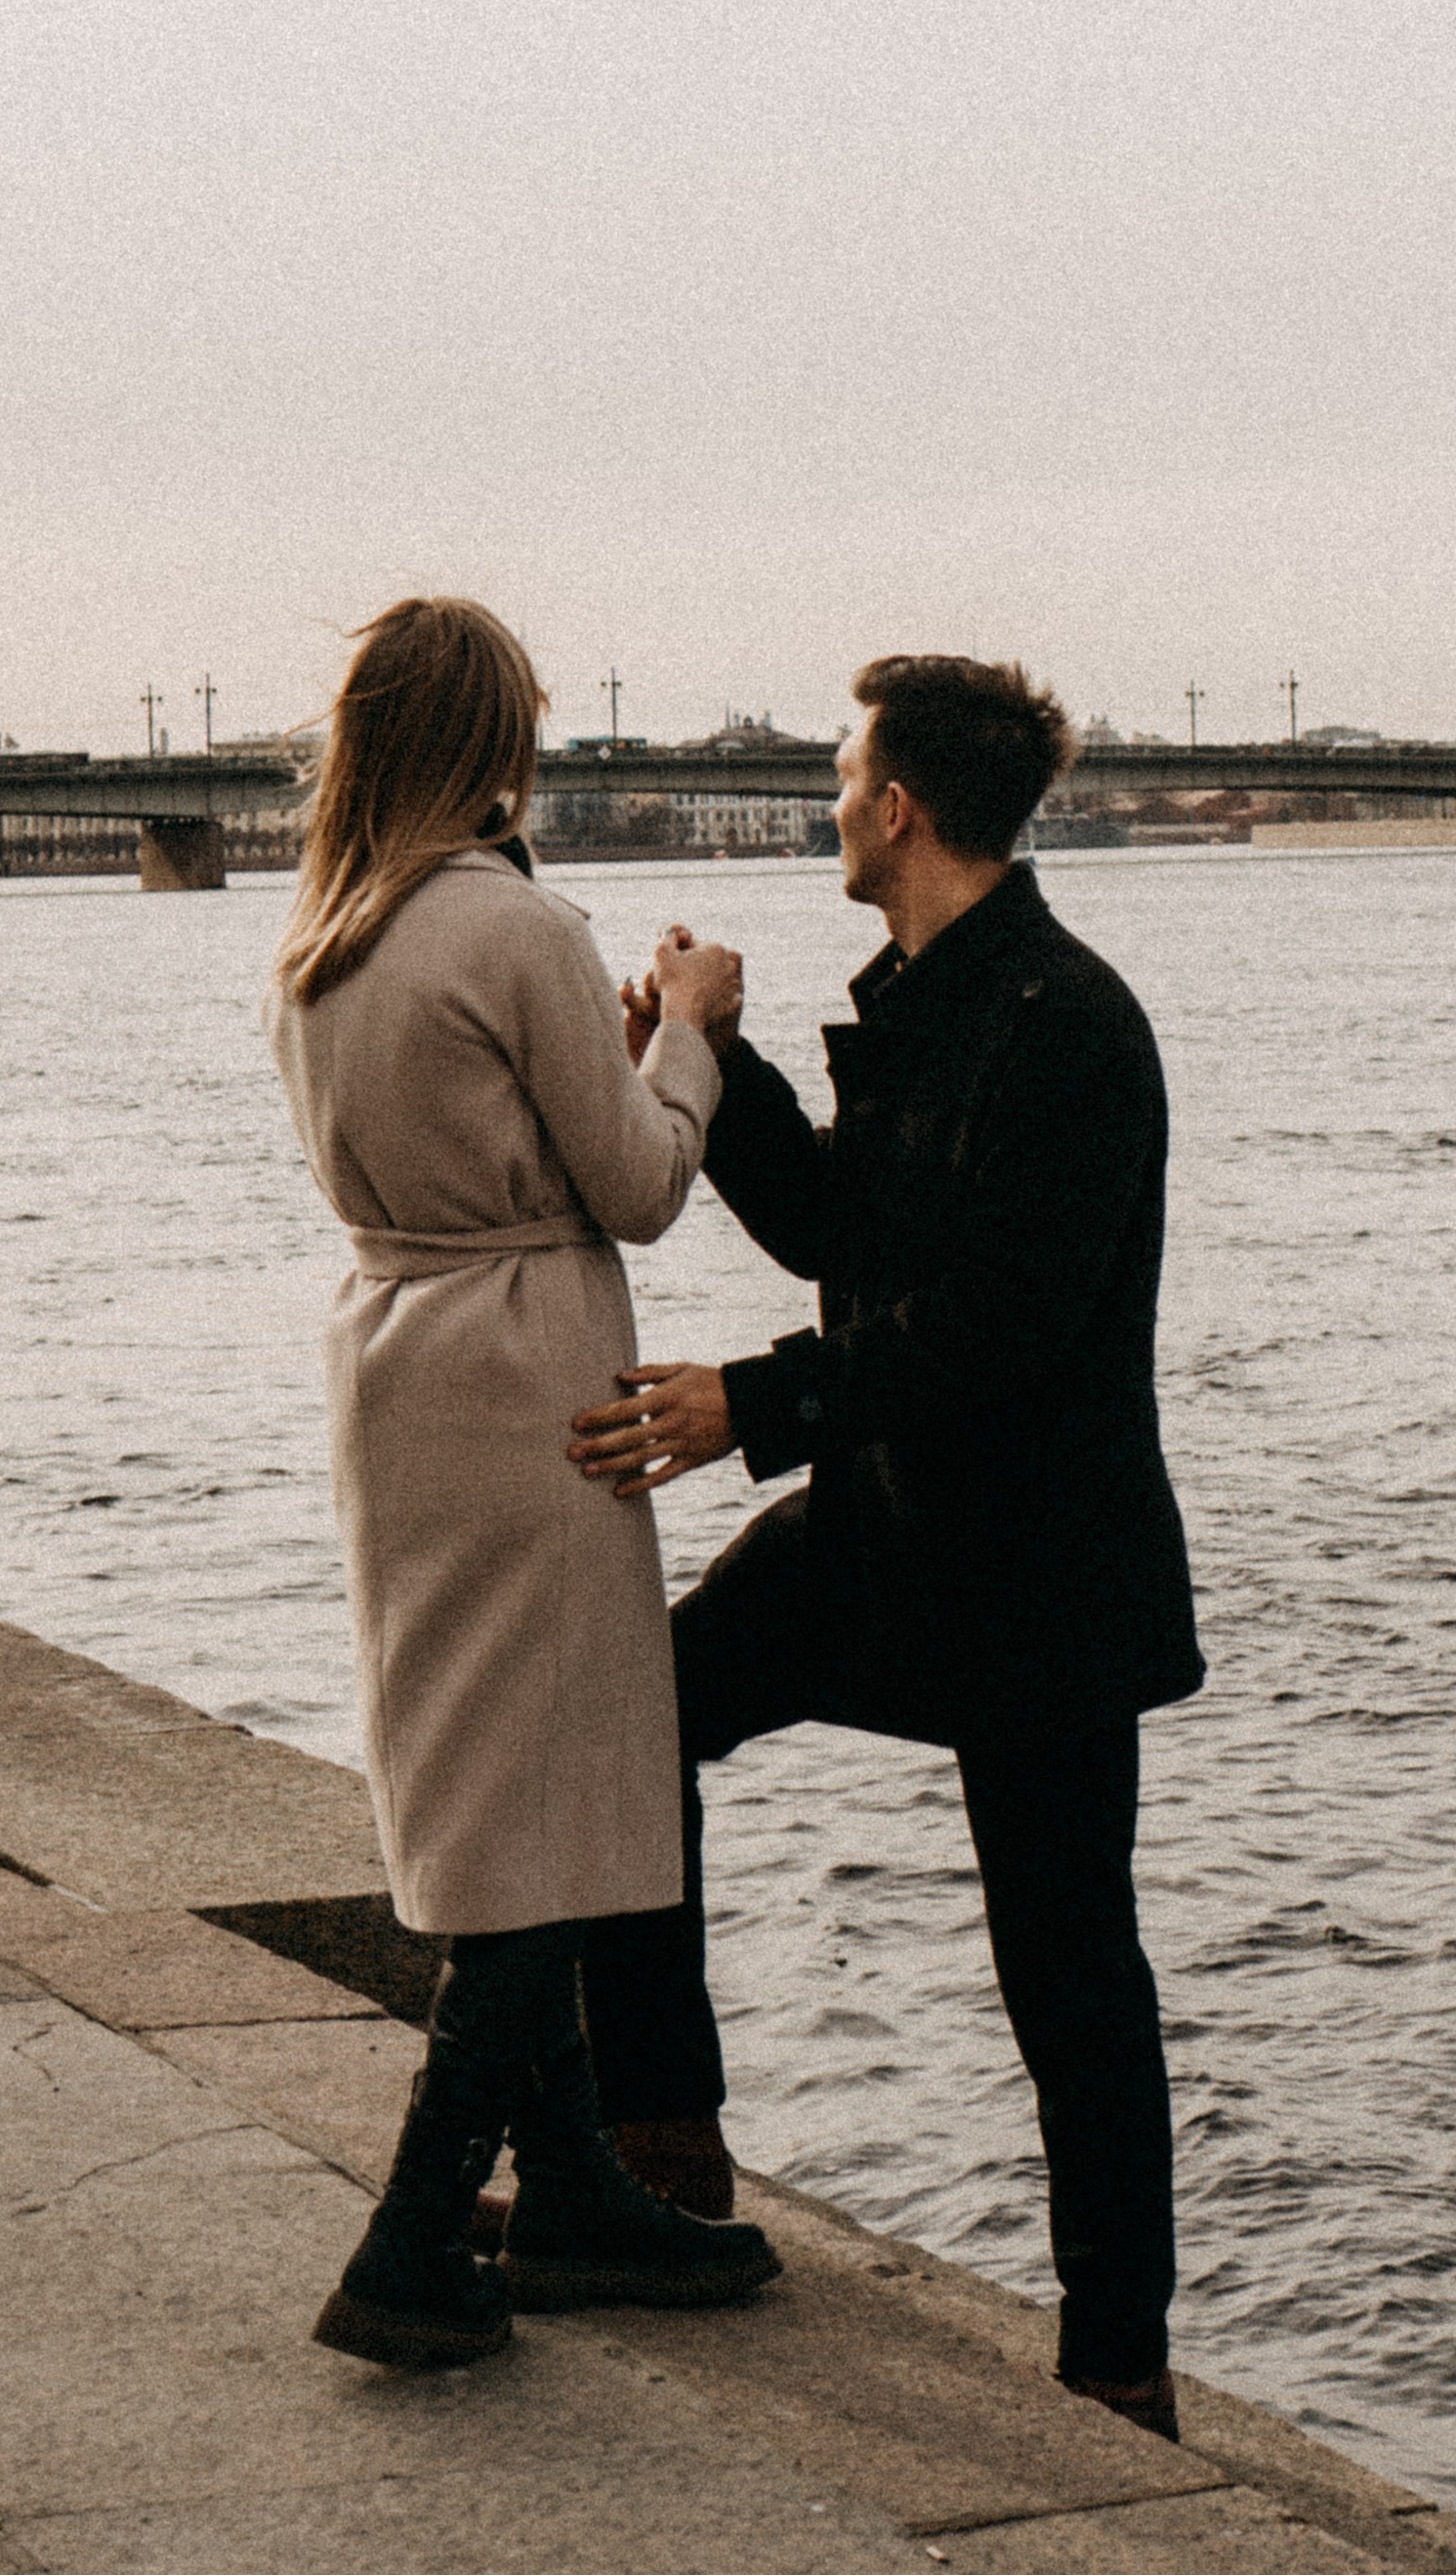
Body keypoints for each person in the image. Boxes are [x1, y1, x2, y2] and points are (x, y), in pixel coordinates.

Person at [564, 653, 1205, 2437]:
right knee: (639, 1722)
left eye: (847, 775)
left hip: (1039, 1562)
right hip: (894, 1526)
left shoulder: (1071, 1022)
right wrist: (709, 1054)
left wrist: (741, 1411)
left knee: (1067, 1965)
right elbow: (847, 1229)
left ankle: (1119, 2368)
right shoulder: (938, 990)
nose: (832, 800)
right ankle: (666, 2143)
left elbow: (996, 1326)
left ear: (902, 805)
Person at [266, 594, 781, 2369]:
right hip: (527, 1379)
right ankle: (411, 2244)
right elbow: (638, 1183)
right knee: (543, 1819)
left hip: (398, 1363)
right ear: (499, 739)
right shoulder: (518, 926)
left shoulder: (328, 938)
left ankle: (570, 2195)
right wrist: (691, 1022)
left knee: (499, 1772)